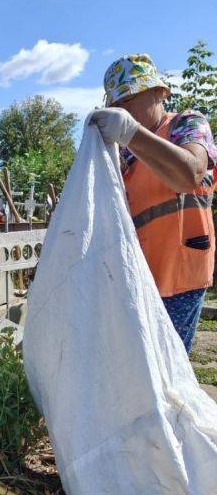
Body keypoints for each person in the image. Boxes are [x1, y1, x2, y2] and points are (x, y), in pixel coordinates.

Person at [90, 53, 216, 353]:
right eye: (115, 104)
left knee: (167, 366)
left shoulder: (186, 125)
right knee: (138, 368)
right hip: (138, 279)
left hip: (181, 275)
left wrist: (132, 133)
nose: (122, 110)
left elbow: (190, 174)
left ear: (160, 93)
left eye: (128, 99)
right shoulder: (123, 156)